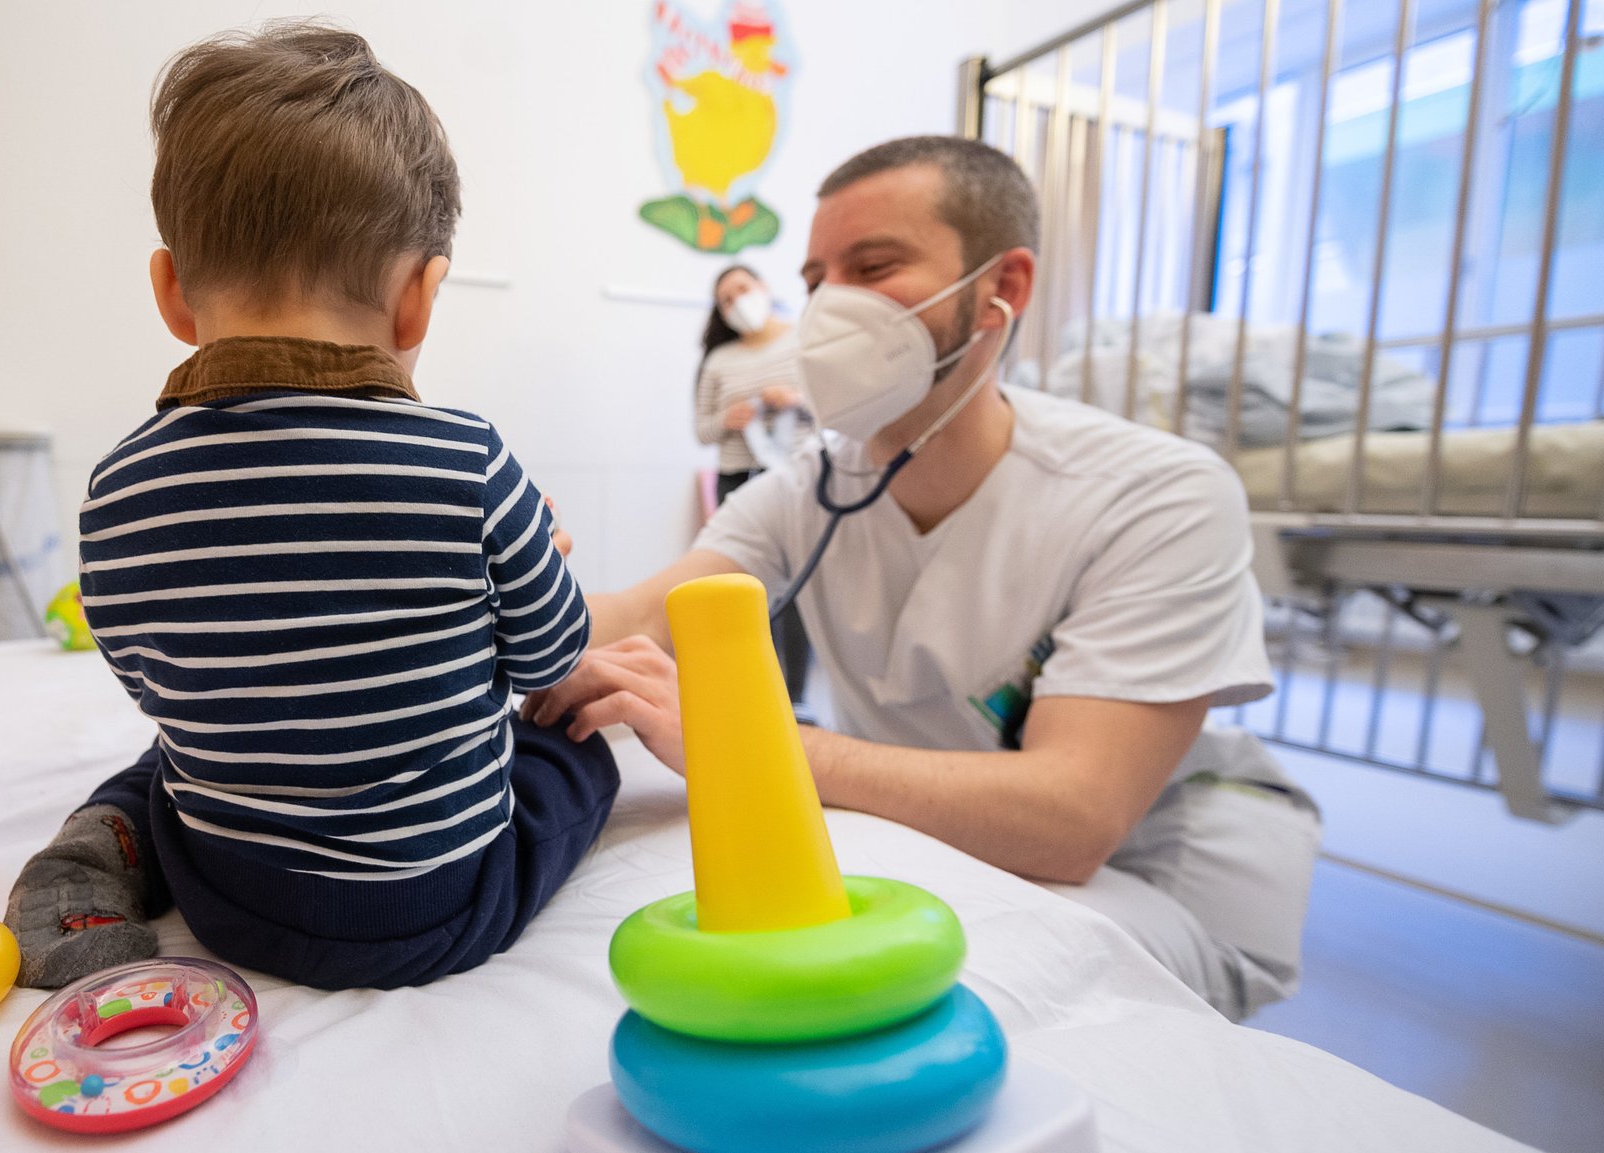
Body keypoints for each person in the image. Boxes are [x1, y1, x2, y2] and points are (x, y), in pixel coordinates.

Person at [528, 136, 1320, 1021]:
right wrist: (488, 575)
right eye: (819, 276)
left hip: (1153, 869)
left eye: (875, 266)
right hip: (935, 832)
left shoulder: (1158, 494)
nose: (831, 306)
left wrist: (740, 738)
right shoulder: (809, 487)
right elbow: (636, 616)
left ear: (1002, 290)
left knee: (922, 990)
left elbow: (1073, 817)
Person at [2, 23, 618, 992]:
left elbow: (157, 687)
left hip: (229, 899)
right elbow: (550, 659)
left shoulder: (118, 487)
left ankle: (108, 839)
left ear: (170, 291)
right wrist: (532, 553)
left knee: (175, 757)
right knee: (575, 754)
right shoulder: (468, 458)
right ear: (418, 300)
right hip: (440, 908)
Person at [692, 264, 813, 701]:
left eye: (742, 289)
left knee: (798, 591)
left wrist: (797, 402)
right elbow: (701, 430)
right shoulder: (719, 361)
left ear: (764, 286)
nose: (737, 301)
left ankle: (795, 696)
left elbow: (834, 408)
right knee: (748, 590)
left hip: (795, 481)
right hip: (737, 481)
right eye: (726, 299)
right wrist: (726, 420)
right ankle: (760, 690)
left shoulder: (804, 340)